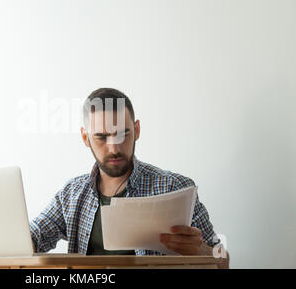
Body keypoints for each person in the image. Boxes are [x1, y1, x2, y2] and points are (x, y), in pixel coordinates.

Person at [29, 87, 229, 267]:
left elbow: (222, 260)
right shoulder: (71, 194)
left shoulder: (174, 187)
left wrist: (200, 250)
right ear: (85, 138)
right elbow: (34, 235)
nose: (114, 148)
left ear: (137, 130)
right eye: (101, 137)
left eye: (123, 134)